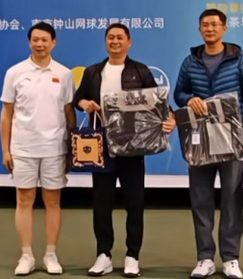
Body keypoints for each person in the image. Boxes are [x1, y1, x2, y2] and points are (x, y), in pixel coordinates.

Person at [73, 23, 176, 278]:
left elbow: (158, 102)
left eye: (120, 37)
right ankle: (103, 255)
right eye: (110, 37)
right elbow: (78, 99)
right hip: (101, 147)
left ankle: (132, 256)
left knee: (134, 203)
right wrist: (85, 103)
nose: (115, 41)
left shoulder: (140, 71)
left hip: (133, 146)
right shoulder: (93, 72)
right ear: (105, 42)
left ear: (129, 42)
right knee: (101, 204)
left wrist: (171, 119)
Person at [173, 9, 243, 279]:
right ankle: (204, 258)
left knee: (231, 199)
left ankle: (231, 258)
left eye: (214, 24)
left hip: (232, 140)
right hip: (199, 139)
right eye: (205, 25)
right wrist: (189, 99)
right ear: (199, 29)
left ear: (224, 28)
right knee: (200, 199)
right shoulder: (191, 61)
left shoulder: (239, 59)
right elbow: (178, 93)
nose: (210, 29)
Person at [0, 21, 76, 276]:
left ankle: (51, 255)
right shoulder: (15, 73)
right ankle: (27, 256)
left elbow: (69, 113)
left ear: (54, 42)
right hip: (23, 148)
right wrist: (6, 150)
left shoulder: (64, 74)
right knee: (24, 200)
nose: (39, 44)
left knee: (53, 201)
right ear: (30, 42)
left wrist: (71, 149)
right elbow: (6, 114)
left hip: (55, 147)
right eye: (35, 40)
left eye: (44, 40)